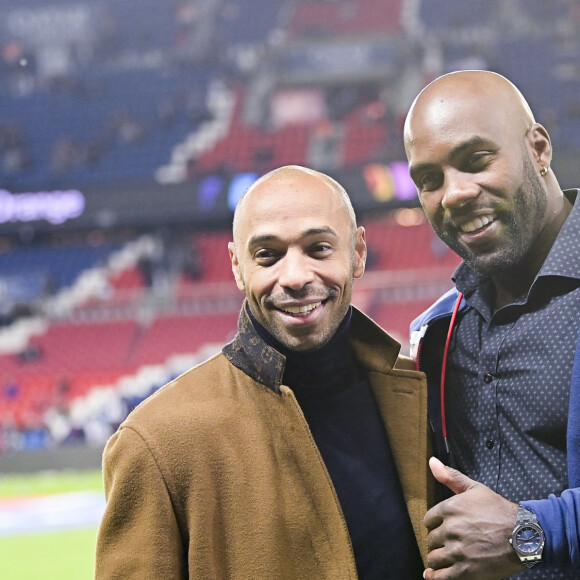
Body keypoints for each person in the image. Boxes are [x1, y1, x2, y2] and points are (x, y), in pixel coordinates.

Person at [94, 165, 433, 579]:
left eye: (319, 248)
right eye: (267, 255)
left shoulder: (422, 396)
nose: (294, 277)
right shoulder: (156, 442)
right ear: (238, 267)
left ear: (357, 252)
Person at [404, 69, 580, 579]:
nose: (453, 194)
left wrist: (531, 534)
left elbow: (513, 536)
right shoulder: (437, 333)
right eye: (429, 180)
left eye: (476, 160)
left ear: (539, 149)